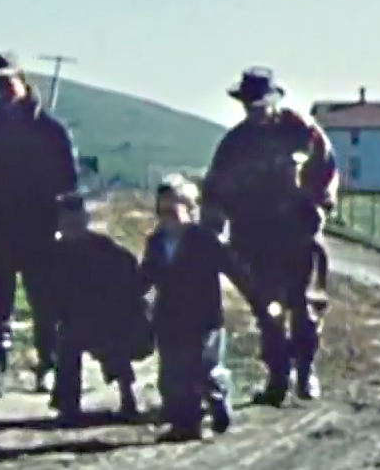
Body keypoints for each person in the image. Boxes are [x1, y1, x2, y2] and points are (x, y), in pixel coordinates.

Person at [200, 66, 338, 407]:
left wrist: (321, 206)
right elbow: (214, 189)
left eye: (260, 103)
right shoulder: (234, 143)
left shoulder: (301, 131)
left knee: (304, 305)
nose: (255, 111)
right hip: (254, 237)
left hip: (298, 232)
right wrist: (212, 228)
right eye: (249, 105)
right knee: (268, 310)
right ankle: (277, 376)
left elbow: (327, 170)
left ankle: (305, 369)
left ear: (274, 99)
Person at [0, 51, 79, 396]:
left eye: (8, 80)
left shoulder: (49, 129)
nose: (3, 88)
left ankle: (49, 366)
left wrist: (68, 224)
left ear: (22, 80)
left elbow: (68, 182)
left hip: (40, 229)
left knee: (44, 300)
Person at [139, 175, 275, 442]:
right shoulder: (156, 243)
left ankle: (219, 397)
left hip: (204, 319)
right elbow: (146, 276)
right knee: (173, 374)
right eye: (161, 210)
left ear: (190, 209)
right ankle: (186, 424)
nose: (166, 217)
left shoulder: (205, 241)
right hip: (169, 319)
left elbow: (236, 272)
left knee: (204, 368)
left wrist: (261, 302)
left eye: (172, 210)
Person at [48, 192, 153, 422]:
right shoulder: (54, 255)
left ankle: (128, 396)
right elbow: (48, 294)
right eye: (66, 222)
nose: (72, 227)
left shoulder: (106, 249)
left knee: (114, 341)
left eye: (76, 221)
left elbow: (131, 280)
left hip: (111, 316)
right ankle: (68, 404)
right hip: (75, 318)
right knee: (67, 339)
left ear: (85, 220)